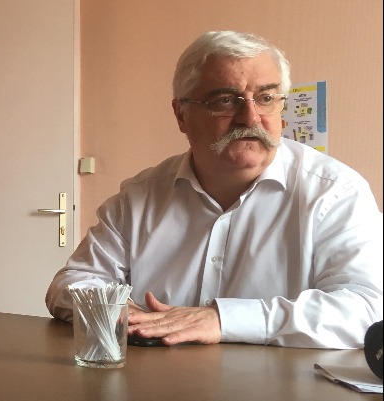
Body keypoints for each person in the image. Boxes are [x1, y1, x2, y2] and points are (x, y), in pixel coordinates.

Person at [45, 31, 383, 349]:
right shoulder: (139, 197)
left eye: (266, 98)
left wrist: (222, 319)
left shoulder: (335, 193)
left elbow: (368, 309)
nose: (250, 118)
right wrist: (117, 311)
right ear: (181, 114)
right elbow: (71, 282)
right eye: (225, 101)